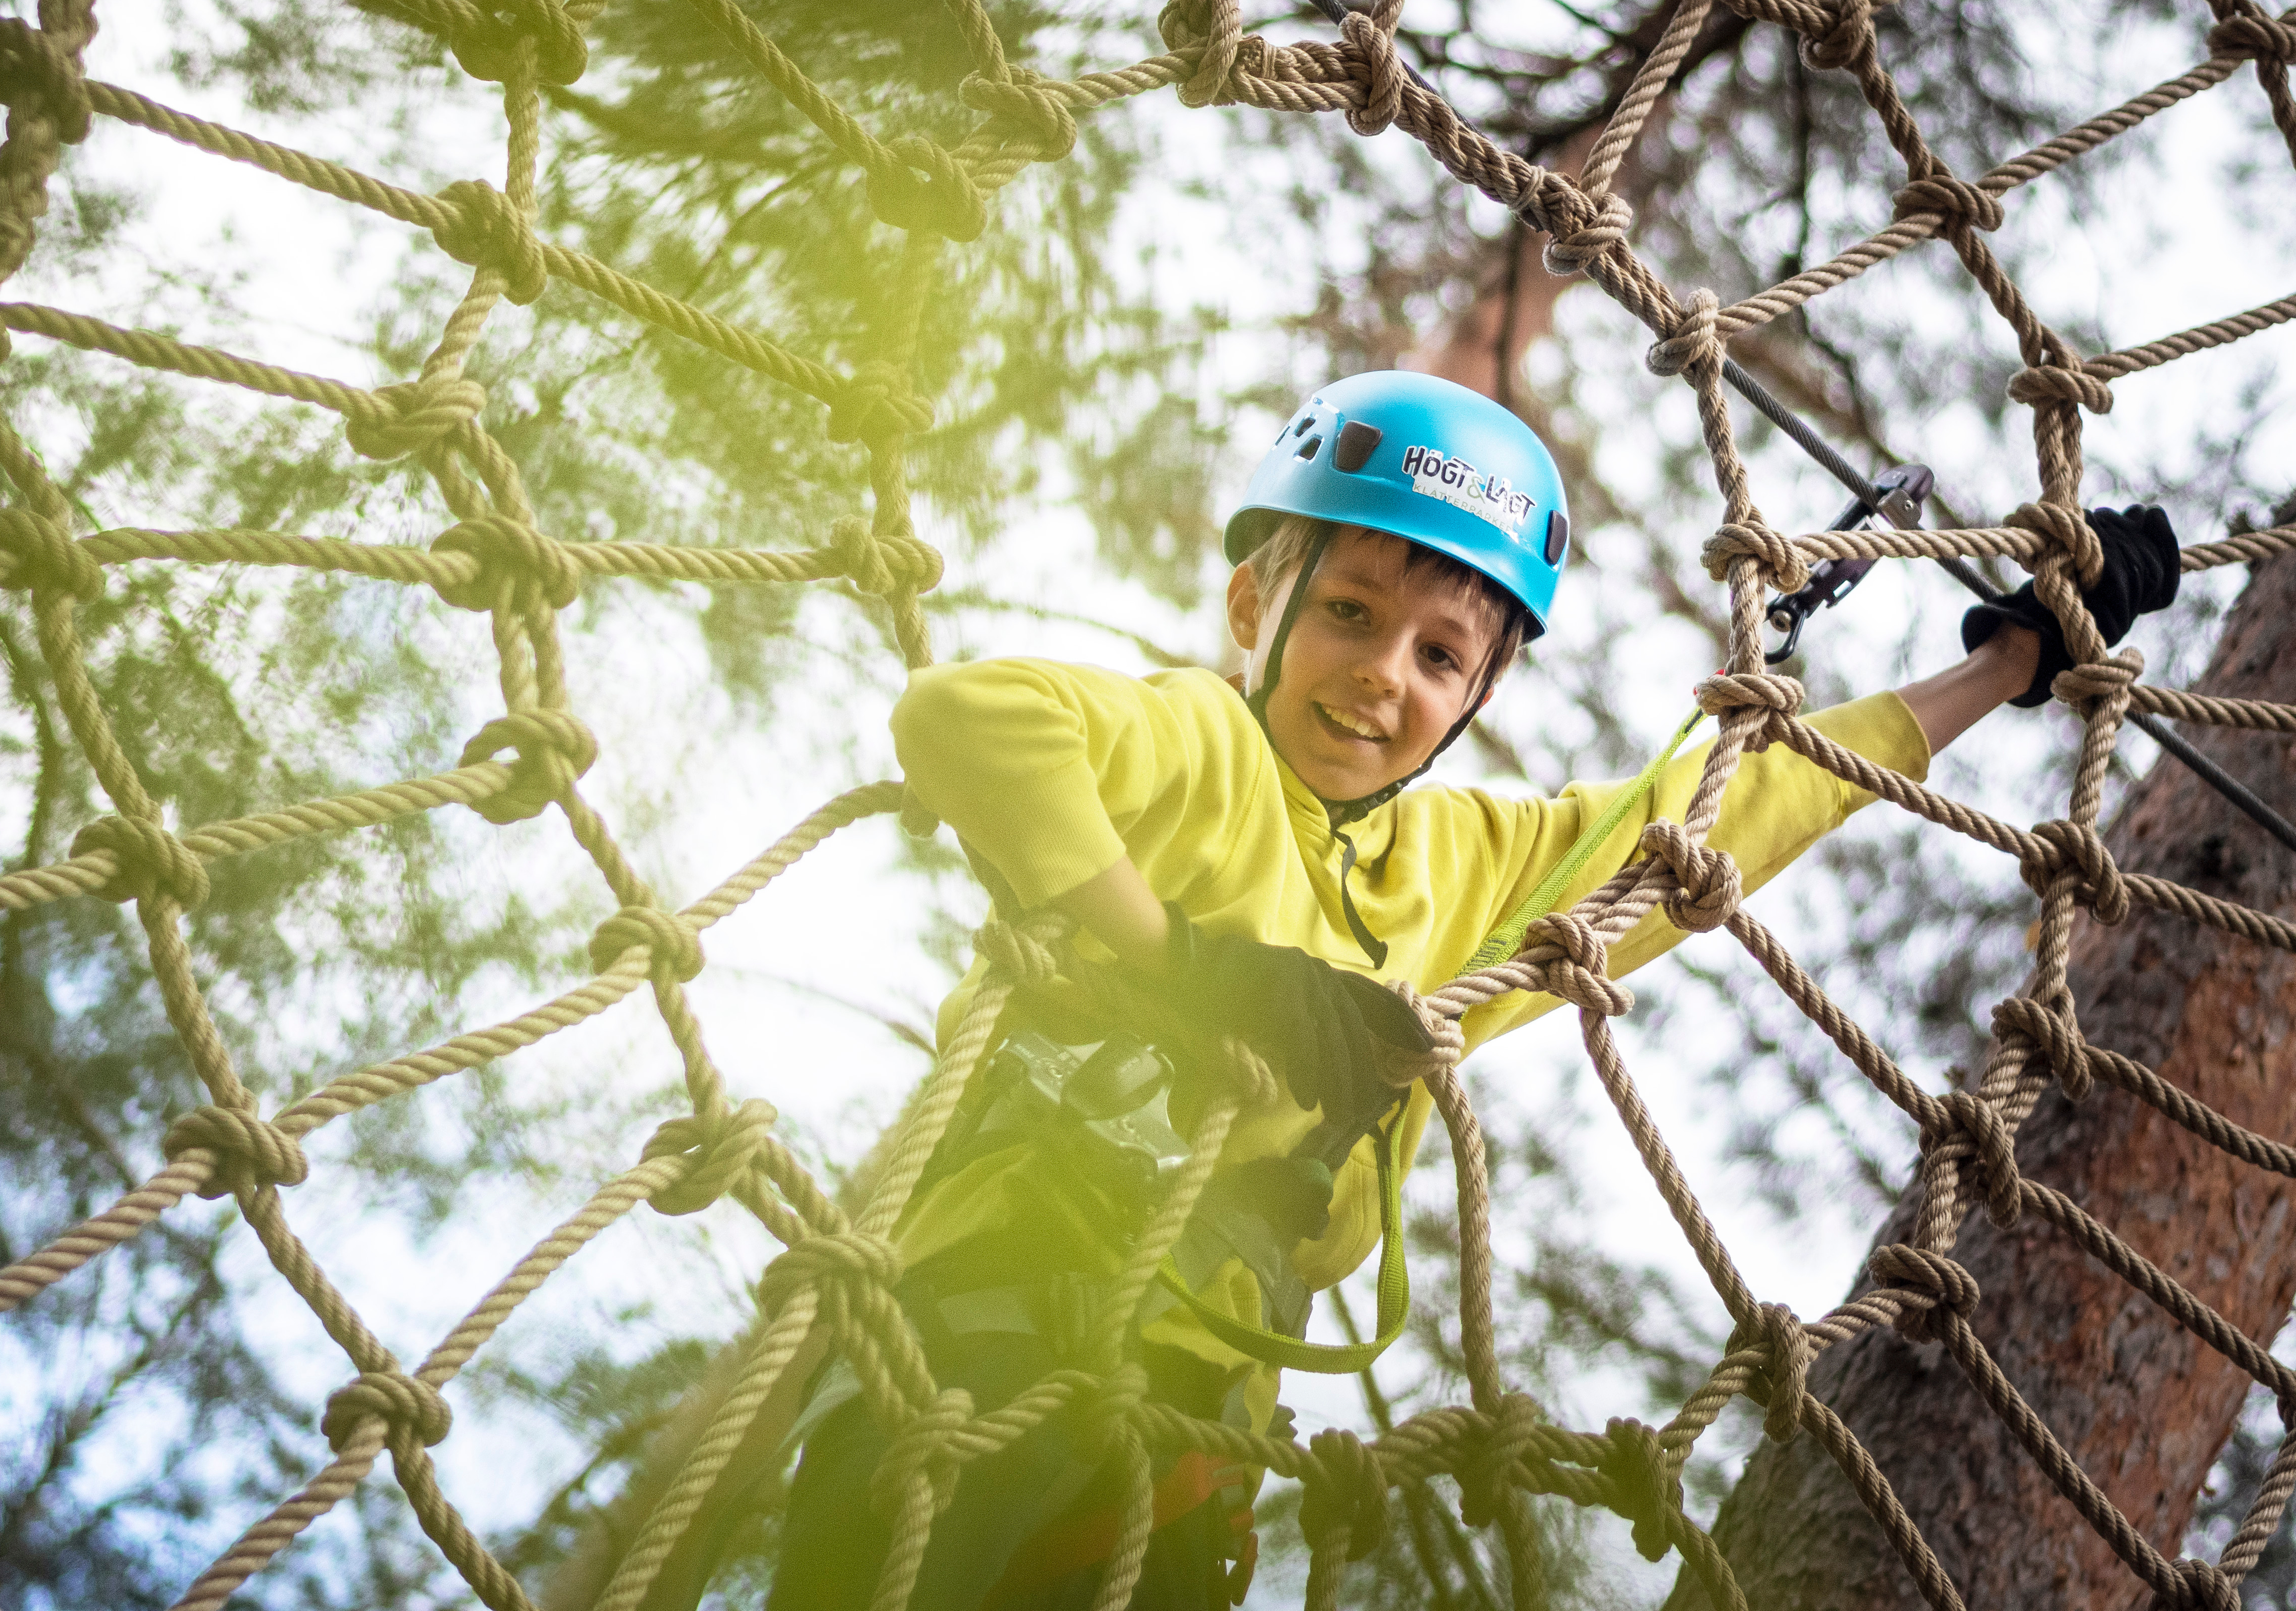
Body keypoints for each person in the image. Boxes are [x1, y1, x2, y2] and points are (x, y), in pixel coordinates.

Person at [765, 370, 2179, 1610]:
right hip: (975, 1336)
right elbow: (965, 718)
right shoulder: (1191, 743)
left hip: (1186, 1438)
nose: (1383, 674)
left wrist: (2001, 668)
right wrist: (1186, 966)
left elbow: (1736, 809)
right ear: (1258, 604)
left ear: (1480, 695)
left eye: (1440, 654)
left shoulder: (1464, 871)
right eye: (1349, 612)